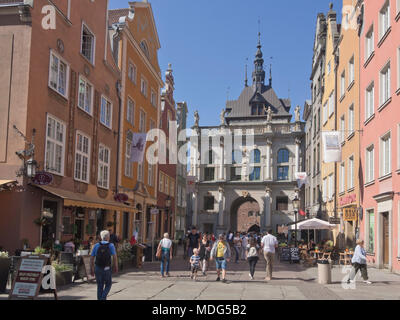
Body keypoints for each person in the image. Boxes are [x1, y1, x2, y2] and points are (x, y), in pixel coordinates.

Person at [90, 230, 118, 300]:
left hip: (98, 267)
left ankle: (100, 298)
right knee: (108, 284)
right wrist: (115, 266)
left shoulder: (96, 245)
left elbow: (91, 258)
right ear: (108, 237)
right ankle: (103, 297)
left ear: (101, 237)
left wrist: (91, 269)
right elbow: (114, 257)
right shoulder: (111, 245)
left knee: (100, 285)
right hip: (107, 268)